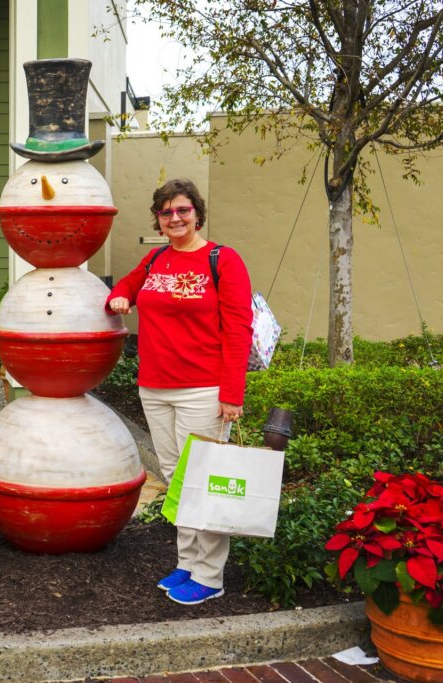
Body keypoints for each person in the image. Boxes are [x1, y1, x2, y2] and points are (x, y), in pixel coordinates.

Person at [106, 178, 252, 606]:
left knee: (203, 483)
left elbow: (238, 329)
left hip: (203, 390)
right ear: (158, 218)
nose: (175, 218)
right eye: (166, 212)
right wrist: (118, 298)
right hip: (155, 386)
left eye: (183, 210)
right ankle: (188, 563)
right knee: (177, 481)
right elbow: (124, 288)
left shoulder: (222, 260)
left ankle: (211, 576)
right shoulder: (154, 260)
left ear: (197, 214)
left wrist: (232, 393)